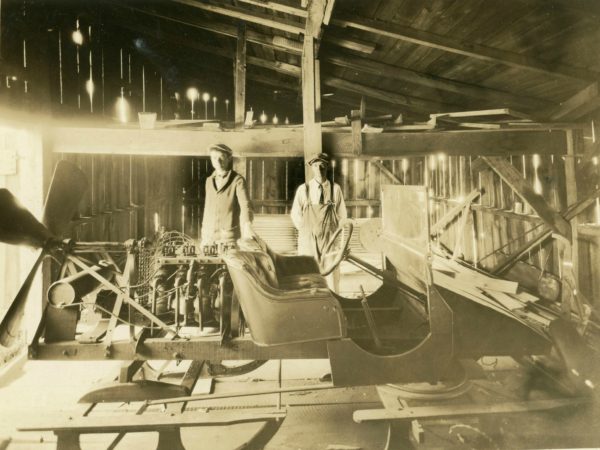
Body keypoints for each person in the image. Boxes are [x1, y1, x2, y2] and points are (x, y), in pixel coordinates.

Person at [291, 152, 347, 291]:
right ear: (312, 168)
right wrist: (307, 232)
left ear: (327, 167)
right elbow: (295, 214)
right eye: (316, 165)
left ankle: (332, 304)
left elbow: (342, 216)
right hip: (308, 241)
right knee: (308, 276)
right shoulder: (304, 190)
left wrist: (338, 240)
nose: (319, 169)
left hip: (330, 240)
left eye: (322, 165)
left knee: (331, 277)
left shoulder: (335, 189)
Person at [200, 143, 255, 250]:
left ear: (229, 159)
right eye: (214, 158)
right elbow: (208, 208)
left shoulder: (237, 180)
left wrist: (247, 225)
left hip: (228, 238)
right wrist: (204, 234)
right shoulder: (209, 181)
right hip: (209, 237)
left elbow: (245, 205)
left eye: (222, 157)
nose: (218, 161)